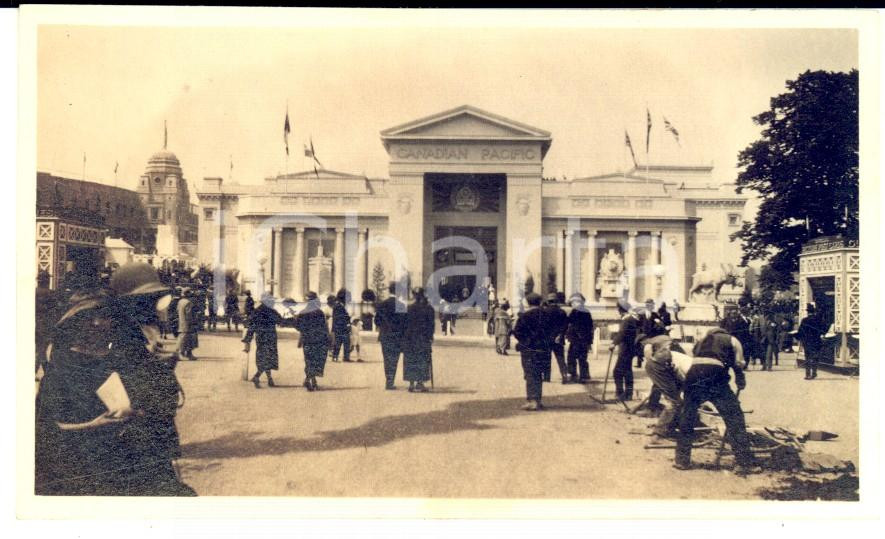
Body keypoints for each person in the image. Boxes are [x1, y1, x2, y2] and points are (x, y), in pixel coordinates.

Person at [35, 262, 195, 495]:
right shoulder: (64, 368)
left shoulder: (125, 348)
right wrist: (93, 426)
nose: (98, 324)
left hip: (137, 457)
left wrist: (163, 368)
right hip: (87, 469)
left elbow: (158, 405)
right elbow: (44, 430)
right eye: (88, 320)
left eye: (103, 317)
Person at [674, 327, 757, 474]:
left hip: (693, 375)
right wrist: (740, 379)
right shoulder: (732, 340)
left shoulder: (701, 341)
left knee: (687, 416)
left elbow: (696, 357)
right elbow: (738, 363)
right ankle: (744, 463)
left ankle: (682, 460)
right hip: (715, 375)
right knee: (734, 417)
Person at [242, 292, 294, 388]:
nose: (273, 302)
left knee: (263, 357)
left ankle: (270, 380)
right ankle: (257, 376)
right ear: (267, 301)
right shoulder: (271, 311)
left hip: (260, 337)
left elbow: (251, 326)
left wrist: (247, 340)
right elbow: (281, 322)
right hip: (269, 337)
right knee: (268, 358)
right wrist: (291, 317)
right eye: (272, 300)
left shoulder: (257, 311)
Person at [512, 293, 551, 411]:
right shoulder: (546, 315)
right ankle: (538, 400)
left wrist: (525, 341)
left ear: (528, 303)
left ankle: (532, 401)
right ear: (539, 302)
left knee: (530, 374)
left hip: (529, 349)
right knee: (539, 374)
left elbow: (517, 332)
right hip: (543, 348)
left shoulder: (525, 316)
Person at [294, 292, 332, 391]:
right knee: (316, 360)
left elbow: (297, 326)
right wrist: (328, 340)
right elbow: (324, 328)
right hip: (318, 340)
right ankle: (309, 380)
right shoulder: (319, 312)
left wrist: (304, 330)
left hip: (307, 340)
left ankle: (312, 380)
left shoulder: (303, 312)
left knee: (308, 360)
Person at [375, 282, 408, 390]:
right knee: (394, 359)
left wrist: (383, 327)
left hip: (385, 335)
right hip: (397, 336)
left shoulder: (382, 304)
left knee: (386, 358)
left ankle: (388, 380)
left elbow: (376, 321)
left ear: (390, 291)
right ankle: (390, 381)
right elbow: (404, 323)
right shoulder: (401, 305)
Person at [403, 287, 435, 392]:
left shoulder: (409, 308)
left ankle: (411, 383)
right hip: (423, 338)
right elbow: (431, 325)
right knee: (422, 359)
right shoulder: (428, 308)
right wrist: (430, 337)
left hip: (410, 338)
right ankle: (420, 383)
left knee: (411, 359)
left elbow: (404, 324)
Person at [611, 300, 640, 401]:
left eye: (618, 309)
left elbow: (622, 334)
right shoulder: (630, 318)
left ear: (620, 310)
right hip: (629, 349)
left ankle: (620, 394)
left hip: (625, 350)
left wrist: (613, 343)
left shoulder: (627, 320)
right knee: (627, 371)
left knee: (617, 372)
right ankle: (628, 394)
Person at [541, 292, 570, 384]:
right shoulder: (562, 312)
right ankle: (564, 375)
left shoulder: (544, 312)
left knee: (546, 358)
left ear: (548, 302)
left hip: (547, 339)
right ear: (557, 301)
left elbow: (542, 325)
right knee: (561, 358)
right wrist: (561, 334)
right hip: (558, 338)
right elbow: (565, 325)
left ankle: (546, 377)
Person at [565, 293, 594, 384]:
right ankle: (584, 375)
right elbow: (590, 327)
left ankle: (573, 375)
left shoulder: (575, 311)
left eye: (572, 302)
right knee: (583, 358)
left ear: (576, 302)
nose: (572, 304)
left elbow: (570, 323)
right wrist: (589, 341)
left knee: (571, 357)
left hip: (576, 339)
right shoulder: (587, 312)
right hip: (585, 339)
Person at [797, 303, 825, 380]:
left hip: (807, 341)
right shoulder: (818, 320)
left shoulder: (804, 320)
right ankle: (814, 372)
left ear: (808, 312)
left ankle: (807, 374)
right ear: (814, 312)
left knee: (808, 357)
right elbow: (823, 330)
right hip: (816, 341)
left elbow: (800, 332)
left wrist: (799, 338)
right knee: (815, 357)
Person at [177, 288, 199, 360]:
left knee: (184, 338)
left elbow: (178, 311)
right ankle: (185, 353)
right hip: (188, 323)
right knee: (189, 338)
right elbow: (189, 314)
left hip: (182, 322)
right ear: (188, 294)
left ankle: (186, 353)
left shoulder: (180, 301)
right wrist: (194, 321)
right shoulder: (188, 303)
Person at [331, 289, 352, 362]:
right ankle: (336, 357)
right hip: (340, 327)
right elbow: (339, 318)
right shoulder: (338, 306)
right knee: (339, 342)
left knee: (345, 342)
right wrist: (347, 324)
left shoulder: (340, 305)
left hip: (341, 327)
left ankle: (344, 357)